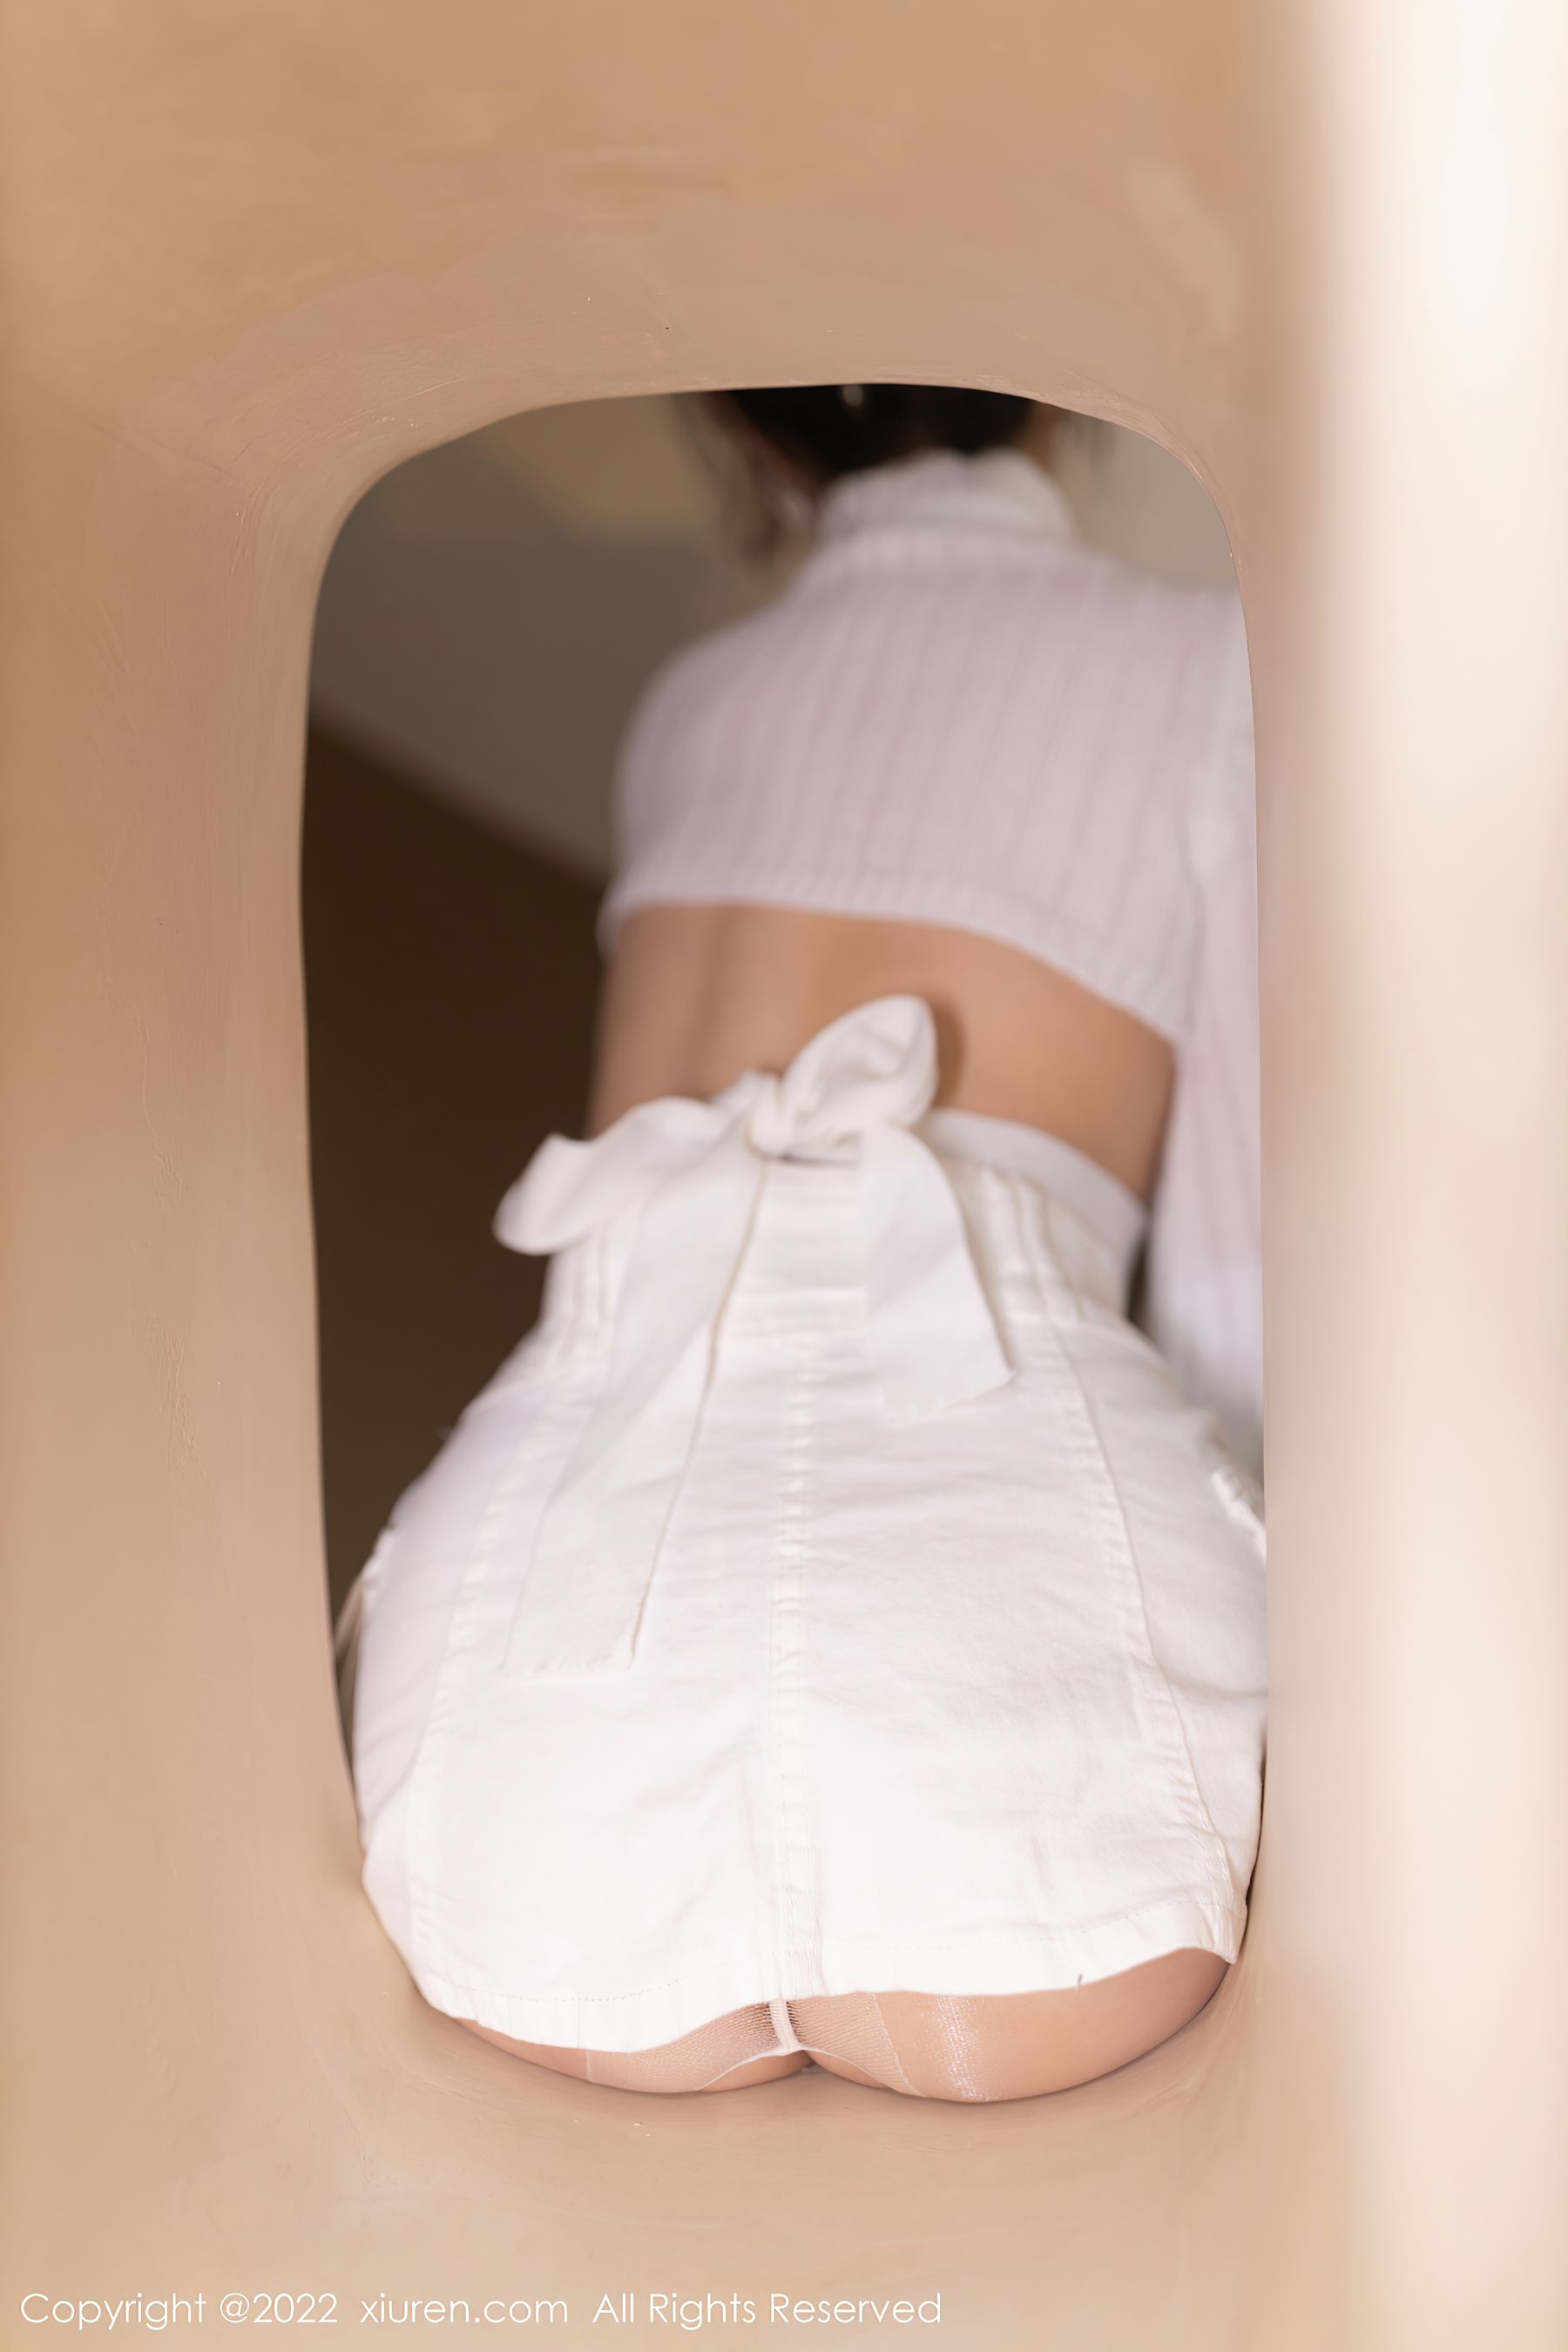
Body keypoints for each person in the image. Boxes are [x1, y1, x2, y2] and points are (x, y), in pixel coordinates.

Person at [335, 382, 1267, 2103]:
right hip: (998, 1647)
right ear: (1056, 398)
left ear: (754, 437)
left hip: (539, 1740)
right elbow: (1236, 1285)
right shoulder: (1208, 659)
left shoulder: (691, 699)